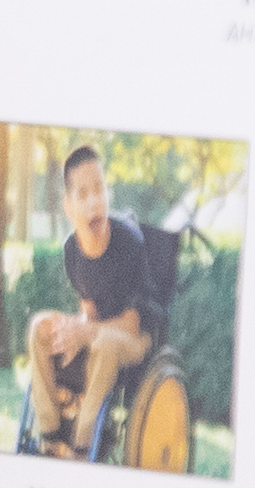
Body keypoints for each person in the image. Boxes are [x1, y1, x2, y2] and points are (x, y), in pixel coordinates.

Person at [19, 141, 175, 456]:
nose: (95, 202)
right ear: (68, 206)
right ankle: (50, 433)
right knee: (40, 326)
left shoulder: (128, 242)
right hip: (99, 332)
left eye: (100, 190)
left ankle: (82, 441)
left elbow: (131, 325)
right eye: (83, 194)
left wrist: (86, 332)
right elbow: (89, 308)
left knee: (103, 342)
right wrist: (76, 329)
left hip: (137, 339)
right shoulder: (71, 251)